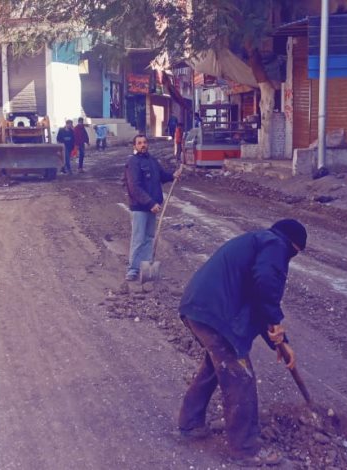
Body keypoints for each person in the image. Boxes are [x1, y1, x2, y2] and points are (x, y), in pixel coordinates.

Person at [176, 219, 307, 467]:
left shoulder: (257, 242)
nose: (290, 258)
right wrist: (276, 320)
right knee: (241, 377)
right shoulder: (276, 245)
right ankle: (246, 449)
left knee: (215, 367)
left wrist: (281, 343)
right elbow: (266, 284)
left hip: (199, 308)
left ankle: (191, 423)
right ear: (292, 245)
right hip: (215, 314)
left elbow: (258, 302)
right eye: (295, 253)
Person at [124, 134, 182, 281]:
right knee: (138, 238)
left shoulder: (152, 161)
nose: (142, 145)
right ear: (135, 146)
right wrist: (150, 203)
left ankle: (146, 265)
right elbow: (134, 187)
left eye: (144, 142)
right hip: (140, 207)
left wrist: (172, 175)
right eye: (139, 143)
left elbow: (161, 176)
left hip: (153, 207)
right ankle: (133, 269)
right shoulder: (133, 162)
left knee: (149, 237)